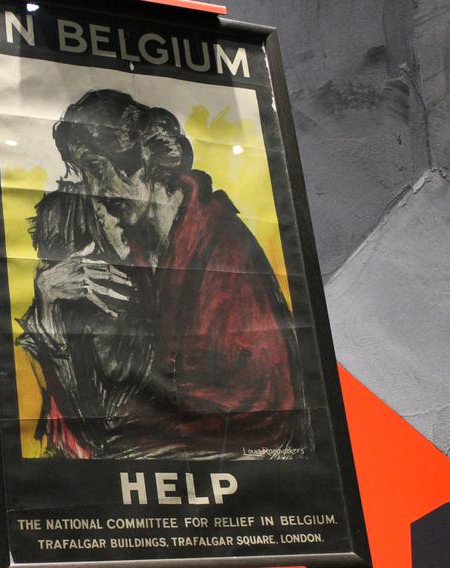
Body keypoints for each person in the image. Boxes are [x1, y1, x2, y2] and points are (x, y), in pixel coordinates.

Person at [18, 89, 308, 460]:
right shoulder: (140, 248)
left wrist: (127, 428)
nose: (93, 191)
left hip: (245, 446)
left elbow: (257, 400)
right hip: (175, 439)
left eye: (96, 169)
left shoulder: (221, 247)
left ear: (144, 162)